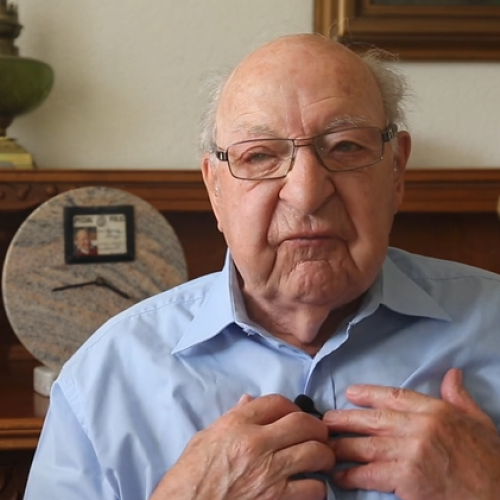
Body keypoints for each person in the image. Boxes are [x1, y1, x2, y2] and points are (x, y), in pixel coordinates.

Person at [24, 33, 500, 500]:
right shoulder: (104, 379)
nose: (307, 193)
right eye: (259, 155)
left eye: (345, 147)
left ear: (396, 170)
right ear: (215, 189)